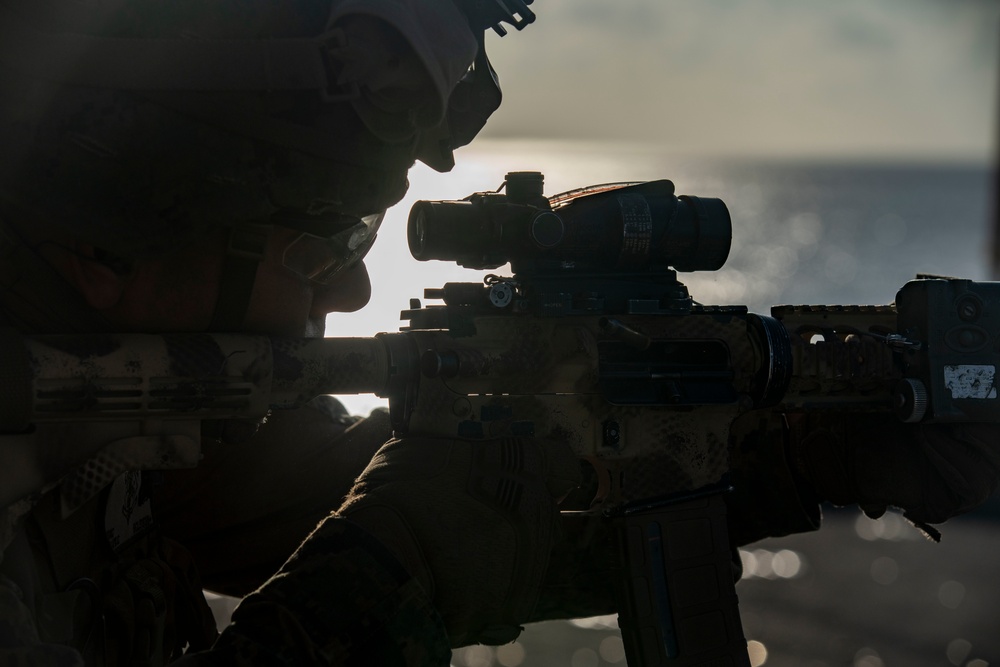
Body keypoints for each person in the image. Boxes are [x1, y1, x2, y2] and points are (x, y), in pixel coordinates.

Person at [0, 1, 997, 665]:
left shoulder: (99, 417)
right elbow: (397, 547)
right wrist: (395, 571)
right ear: (114, 237)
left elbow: (283, 514)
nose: (349, 291)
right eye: (318, 242)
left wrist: (780, 461)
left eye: (363, 238)